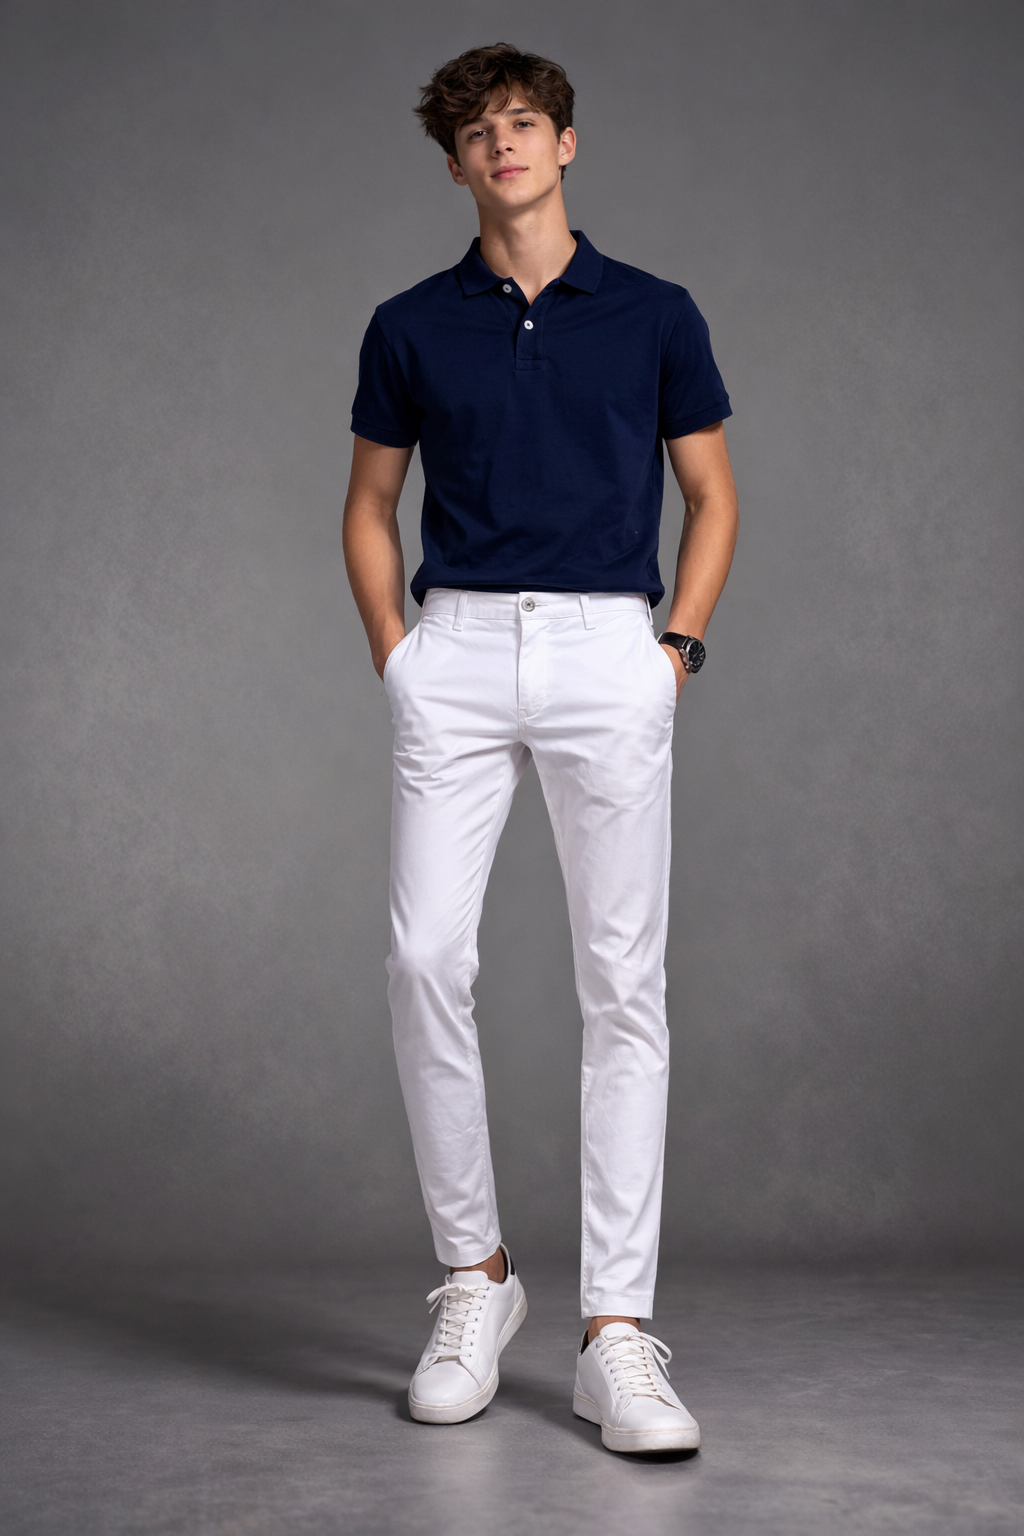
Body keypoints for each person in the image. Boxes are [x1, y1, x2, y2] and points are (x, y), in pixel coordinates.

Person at [343, 42, 738, 1454]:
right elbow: (370, 505)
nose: (501, 143)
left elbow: (711, 495)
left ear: (566, 143)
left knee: (623, 984)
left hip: (607, 649)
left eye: (523, 122)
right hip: (453, 650)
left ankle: (615, 1336)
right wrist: (399, 656)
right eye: (476, 132)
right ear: (454, 165)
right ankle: (478, 1276)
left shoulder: (655, 313)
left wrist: (672, 651)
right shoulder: (409, 324)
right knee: (422, 960)